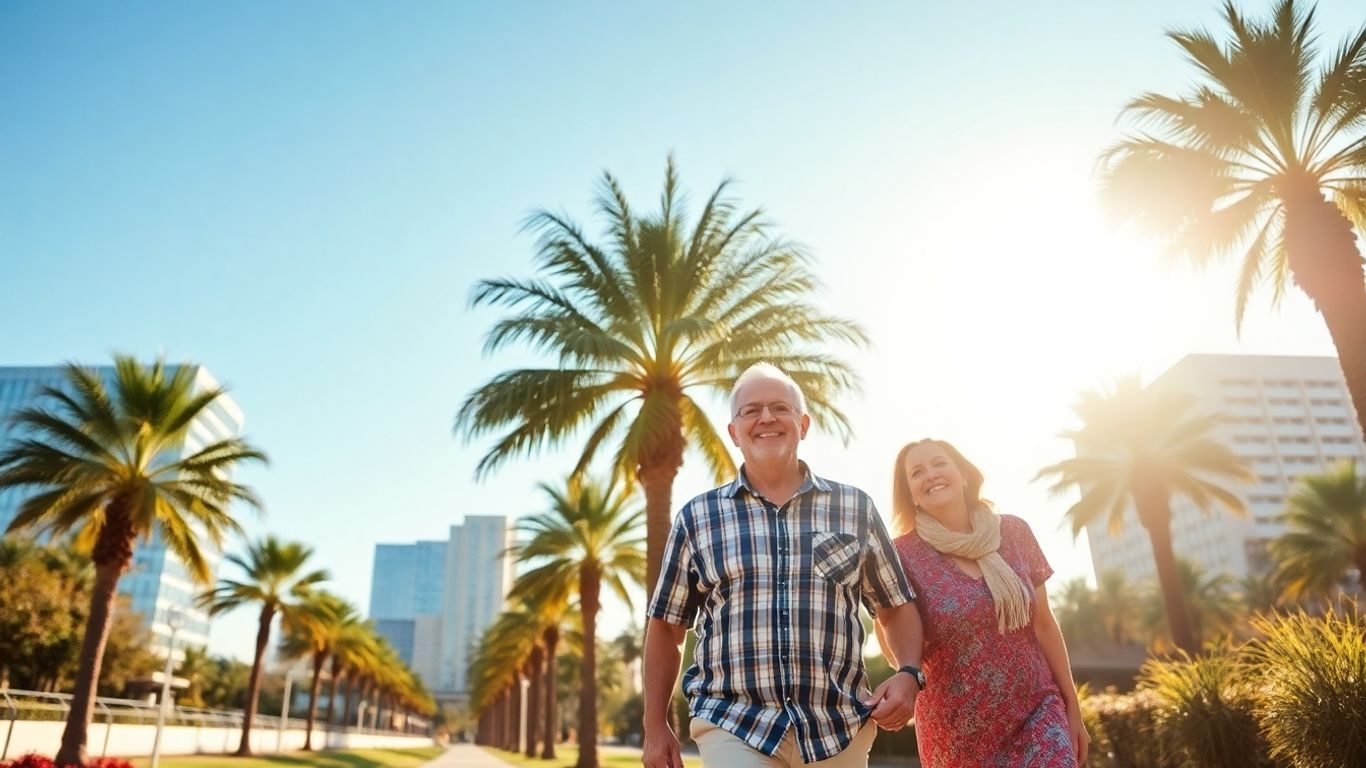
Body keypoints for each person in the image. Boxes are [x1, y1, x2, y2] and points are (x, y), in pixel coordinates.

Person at [642, 363, 926, 768]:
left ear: (803, 424)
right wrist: (655, 725)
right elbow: (665, 627)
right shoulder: (697, 517)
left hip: (838, 727)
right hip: (733, 722)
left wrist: (908, 673)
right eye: (751, 410)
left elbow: (894, 605)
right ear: (734, 432)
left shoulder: (855, 508)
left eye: (780, 407)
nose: (766, 418)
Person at [882, 438, 1089, 767]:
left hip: (1039, 713)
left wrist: (1072, 709)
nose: (931, 475)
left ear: (963, 473)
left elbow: (1045, 624)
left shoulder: (1015, 532)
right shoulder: (899, 556)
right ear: (910, 493)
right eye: (916, 472)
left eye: (939, 463)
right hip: (957, 731)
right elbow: (893, 643)